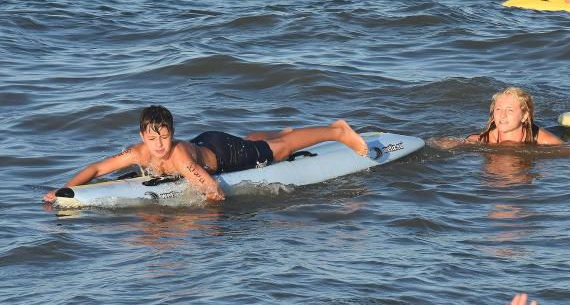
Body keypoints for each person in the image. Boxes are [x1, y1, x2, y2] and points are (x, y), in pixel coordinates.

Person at [43, 105, 368, 203]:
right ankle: (278, 132)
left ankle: (337, 130)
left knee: (280, 152)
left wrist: (198, 216)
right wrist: (63, 190)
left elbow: (213, 192)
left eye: (165, 136)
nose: (159, 144)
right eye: (153, 138)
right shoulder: (138, 152)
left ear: (172, 133)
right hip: (207, 141)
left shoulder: (181, 159)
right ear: (142, 136)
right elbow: (97, 168)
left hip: (224, 153)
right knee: (262, 141)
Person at [465, 87, 563, 145]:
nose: (502, 115)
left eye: (510, 110)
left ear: (524, 116)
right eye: (498, 109)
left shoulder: (547, 141)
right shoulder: (483, 140)